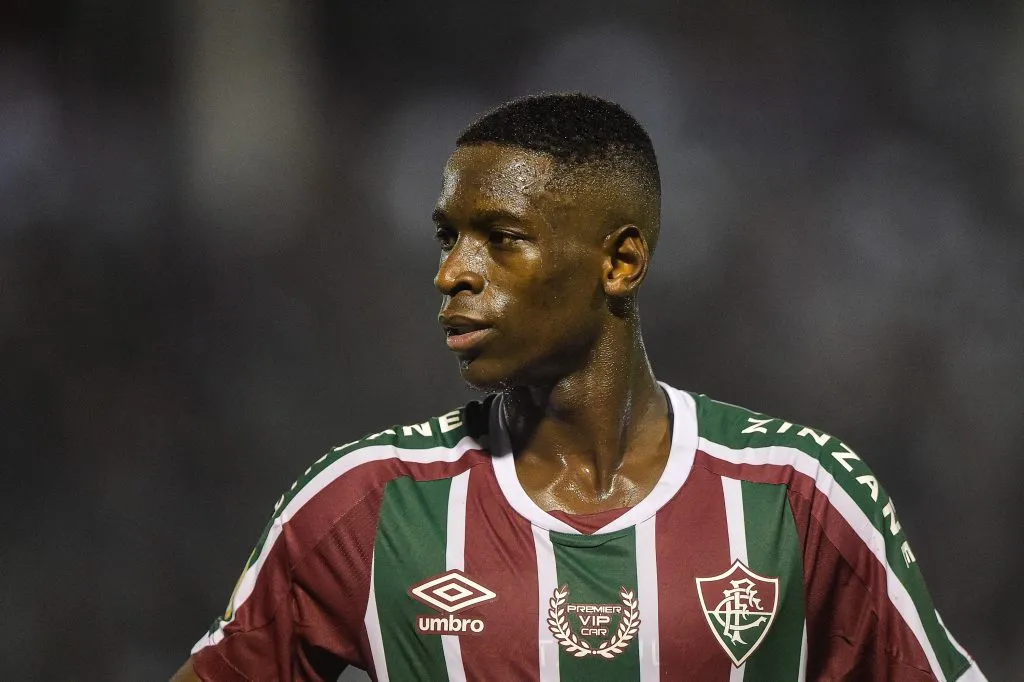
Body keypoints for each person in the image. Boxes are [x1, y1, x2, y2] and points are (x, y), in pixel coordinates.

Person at [172, 93, 986, 681]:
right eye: (449, 237)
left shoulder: (796, 499)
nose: (452, 271)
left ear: (620, 261)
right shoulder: (366, 507)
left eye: (501, 238)